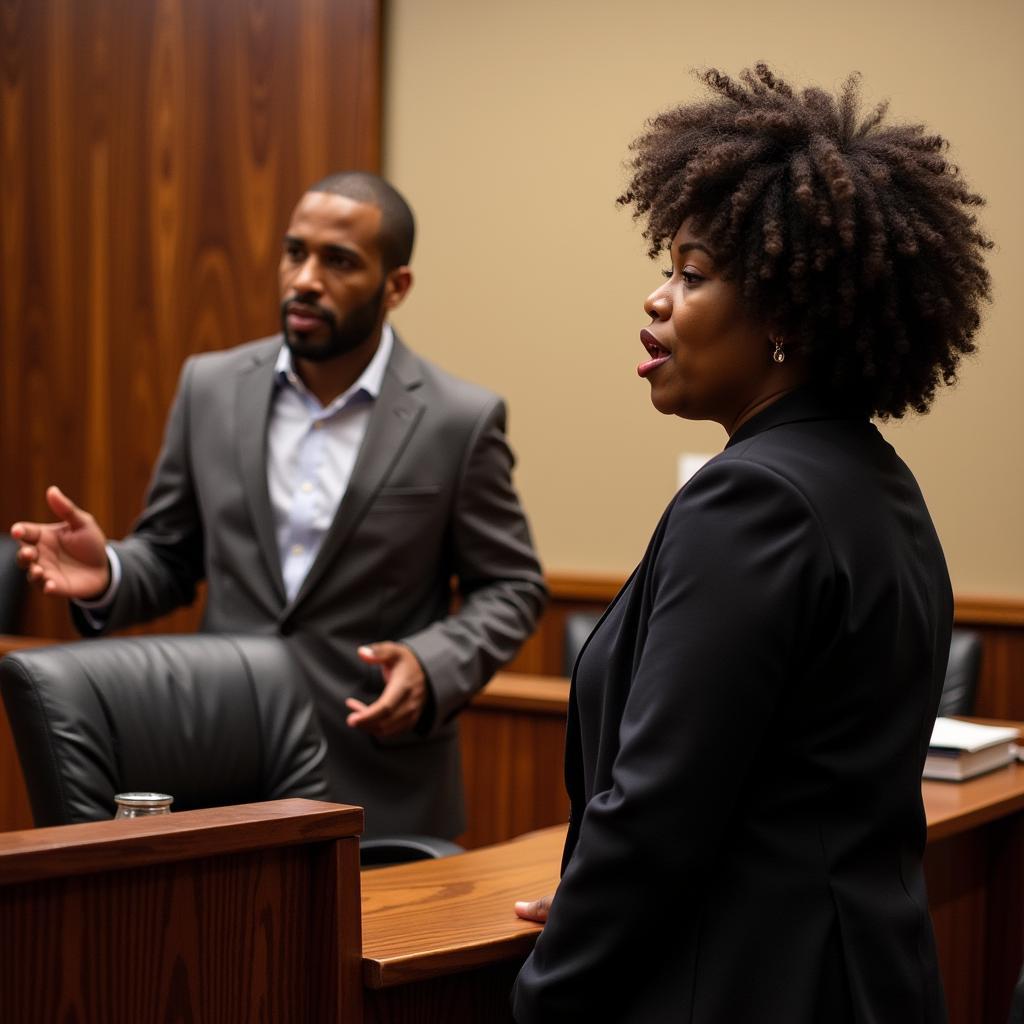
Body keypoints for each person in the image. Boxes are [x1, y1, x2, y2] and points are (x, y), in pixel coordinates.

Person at [512, 65, 990, 1023]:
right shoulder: (876, 481)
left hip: (747, 983)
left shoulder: (751, 499)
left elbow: (658, 810)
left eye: (691, 275)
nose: (657, 301)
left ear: (783, 316)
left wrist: (545, 993)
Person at [11, 171, 547, 839]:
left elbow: (514, 585)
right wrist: (112, 572)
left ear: (396, 286)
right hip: (222, 771)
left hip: (380, 788)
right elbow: (172, 556)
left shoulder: (457, 420)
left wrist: (432, 665)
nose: (305, 280)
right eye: (296, 252)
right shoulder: (210, 387)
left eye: (340, 261)